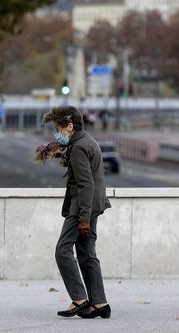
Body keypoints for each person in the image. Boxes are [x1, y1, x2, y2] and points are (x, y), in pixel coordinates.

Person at [42, 105, 112, 319]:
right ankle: (100, 303)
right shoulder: (86, 141)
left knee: (62, 251)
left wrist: (82, 219)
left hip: (82, 206)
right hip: (93, 205)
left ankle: (80, 299)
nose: (57, 132)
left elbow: (85, 184)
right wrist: (61, 153)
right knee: (87, 253)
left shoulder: (80, 147)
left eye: (58, 127)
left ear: (70, 126)